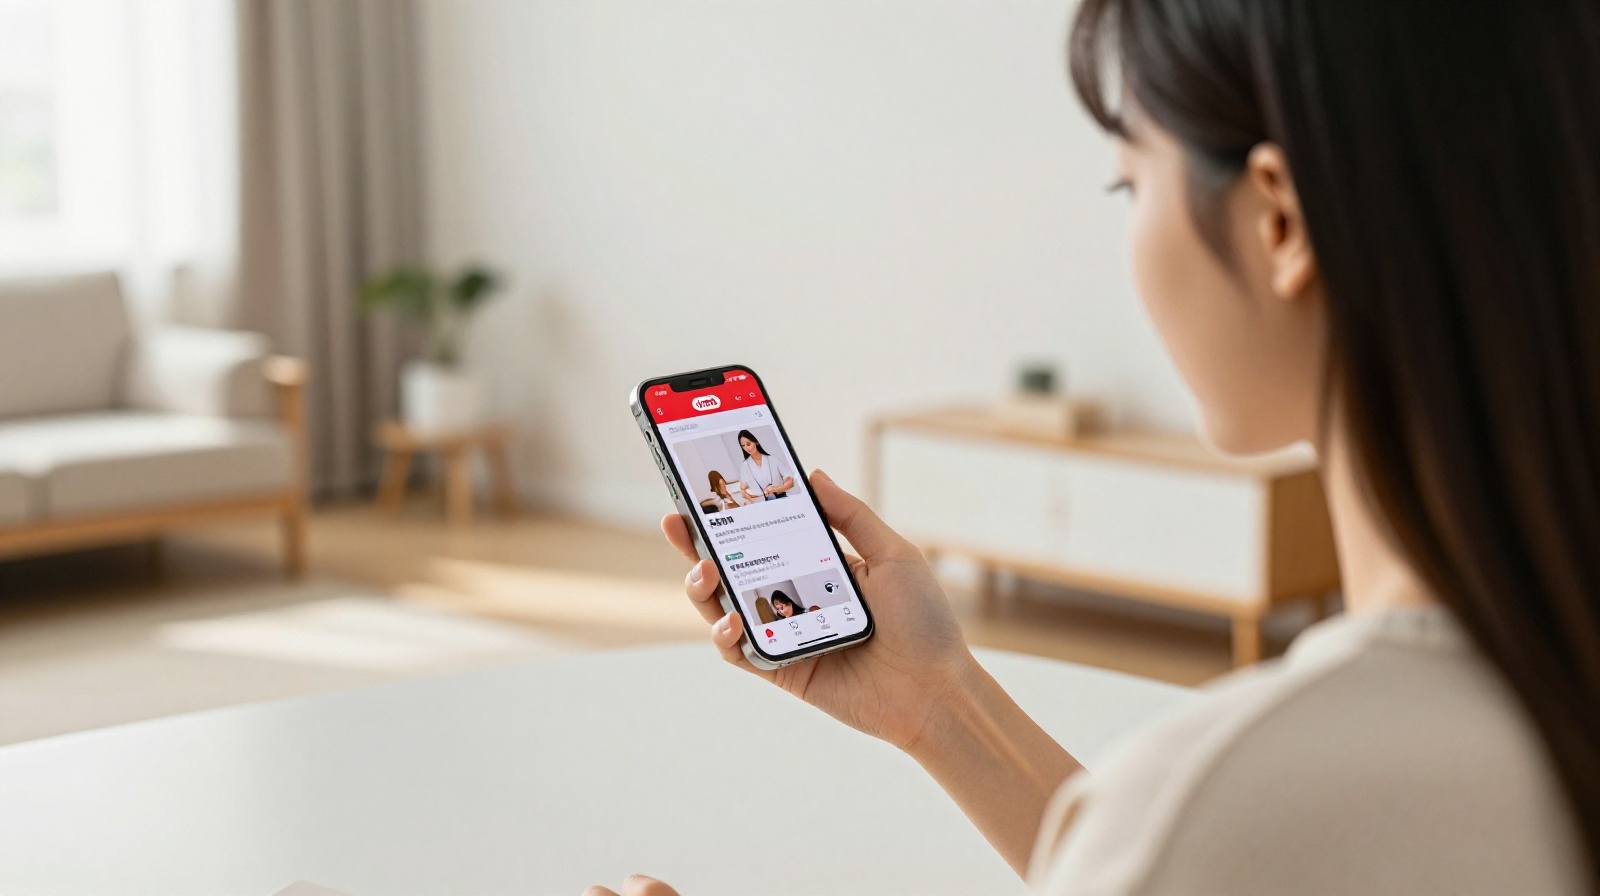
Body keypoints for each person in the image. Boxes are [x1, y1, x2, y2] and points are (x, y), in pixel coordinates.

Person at [589, 1, 1598, 894]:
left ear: (1279, 218)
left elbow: (1195, 845)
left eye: (1129, 184)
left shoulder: (1241, 797)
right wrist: (937, 701)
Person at [736, 429, 793, 500]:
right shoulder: (744, 467)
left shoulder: (773, 460)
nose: (746, 448)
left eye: (748, 444)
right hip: (762, 501)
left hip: (782, 497)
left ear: (755, 442)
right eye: (743, 446)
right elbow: (743, 489)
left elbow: (789, 480)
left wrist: (778, 489)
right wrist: (746, 495)